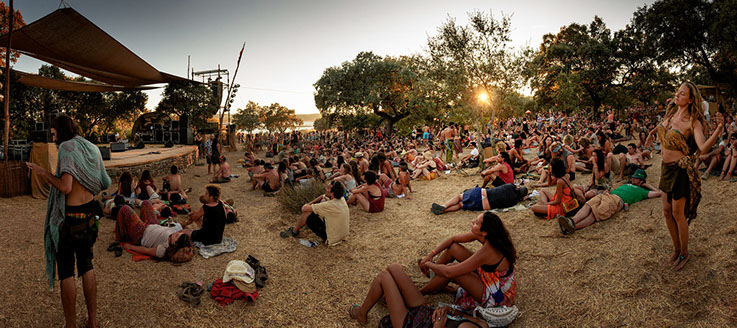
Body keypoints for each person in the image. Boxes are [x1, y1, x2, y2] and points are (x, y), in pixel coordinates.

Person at [26, 115, 111, 328]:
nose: (53, 139)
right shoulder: (91, 147)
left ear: (61, 131)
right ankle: (92, 322)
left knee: (66, 272)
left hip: (71, 220)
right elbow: (104, 181)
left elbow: (65, 187)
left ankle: (71, 325)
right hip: (90, 217)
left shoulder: (66, 148)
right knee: (87, 265)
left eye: (54, 134)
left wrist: (42, 172)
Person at [646, 82, 724, 271]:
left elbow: (703, 148)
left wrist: (720, 128)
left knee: (677, 213)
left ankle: (684, 253)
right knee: (666, 211)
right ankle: (676, 248)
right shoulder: (671, 114)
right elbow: (661, 126)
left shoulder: (692, 121)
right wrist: (650, 133)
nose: (677, 95)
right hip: (666, 168)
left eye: (682, 94)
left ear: (690, 99)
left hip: (681, 170)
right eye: (677, 92)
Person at [418, 213, 517, 313]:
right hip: (489, 275)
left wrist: (428, 263)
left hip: (496, 293)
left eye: (476, 223)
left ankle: (419, 293)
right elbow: (453, 239)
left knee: (450, 268)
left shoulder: (488, 251)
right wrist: (431, 254)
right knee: (454, 248)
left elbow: (449, 272)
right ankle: (434, 276)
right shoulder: (489, 236)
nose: (472, 222)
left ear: (484, 232)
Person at [348, 263, 490, 328]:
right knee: (394, 268)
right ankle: (391, 300)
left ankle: (362, 314)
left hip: (411, 324)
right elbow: (465, 317)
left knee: (384, 277)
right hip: (426, 312)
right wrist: (449, 310)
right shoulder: (483, 325)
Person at [558, 169, 662, 235]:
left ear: (641, 181)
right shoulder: (626, 184)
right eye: (634, 177)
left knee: (595, 214)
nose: (634, 179)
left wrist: (647, 185)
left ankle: (572, 227)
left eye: (637, 178)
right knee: (588, 205)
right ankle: (571, 221)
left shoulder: (642, 191)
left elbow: (658, 193)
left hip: (617, 200)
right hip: (608, 195)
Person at [114, 201, 194, 262]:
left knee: (125, 209)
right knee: (146, 203)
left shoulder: (163, 250)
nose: (176, 233)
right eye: (178, 233)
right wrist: (187, 223)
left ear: (174, 244)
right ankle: (138, 222)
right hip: (154, 225)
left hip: (141, 233)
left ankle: (119, 235)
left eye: (176, 236)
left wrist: (131, 247)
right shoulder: (176, 238)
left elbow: (146, 251)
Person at [280, 181, 349, 246]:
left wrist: (308, 204)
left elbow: (304, 208)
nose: (325, 188)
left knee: (307, 213)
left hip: (331, 238)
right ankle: (303, 223)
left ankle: (294, 231)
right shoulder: (341, 198)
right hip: (342, 235)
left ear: (332, 194)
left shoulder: (329, 205)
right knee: (323, 200)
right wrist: (311, 203)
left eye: (328, 188)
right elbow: (323, 196)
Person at [431, 183, 528, 215]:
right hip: (483, 205)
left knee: (460, 197)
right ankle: (444, 211)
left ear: (518, 188)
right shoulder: (515, 201)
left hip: (483, 193)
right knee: (461, 205)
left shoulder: (511, 186)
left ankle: (444, 206)